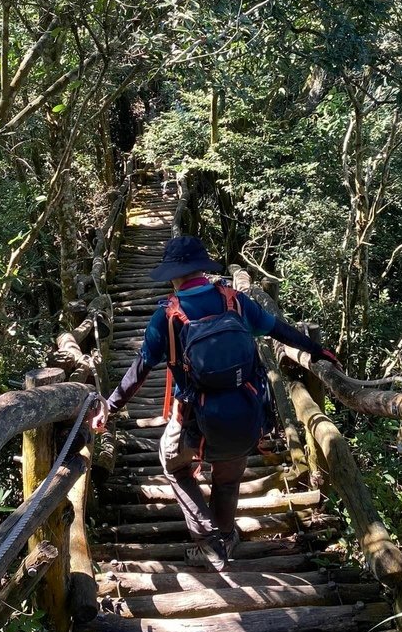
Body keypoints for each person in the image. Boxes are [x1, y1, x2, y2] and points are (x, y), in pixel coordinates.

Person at [92, 235, 338, 570]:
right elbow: (276, 329)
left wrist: (111, 405)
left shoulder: (167, 315)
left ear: (173, 275)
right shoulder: (234, 301)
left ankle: (209, 541)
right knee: (227, 479)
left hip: (193, 417)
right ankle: (225, 535)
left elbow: (140, 369)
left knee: (173, 464)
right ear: (202, 269)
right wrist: (315, 349)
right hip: (245, 414)